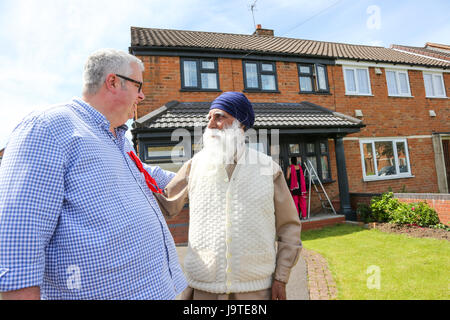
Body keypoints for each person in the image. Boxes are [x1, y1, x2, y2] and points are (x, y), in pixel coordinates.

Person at [0, 49, 187, 300]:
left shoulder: (118, 139)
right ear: (112, 82)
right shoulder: (49, 127)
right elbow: (18, 240)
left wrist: (205, 166)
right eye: (138, 85)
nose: (142, 95)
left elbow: (149, 174)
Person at [155, 91, 302, 300]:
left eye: (219, 116)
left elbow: (289, 228)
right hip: (203, 288)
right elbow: (164, 205)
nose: (211, 124)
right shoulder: (194, 165)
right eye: (209, 118)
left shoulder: (269, 169)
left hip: (255, 290)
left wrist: (281, 277)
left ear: (240, 123)